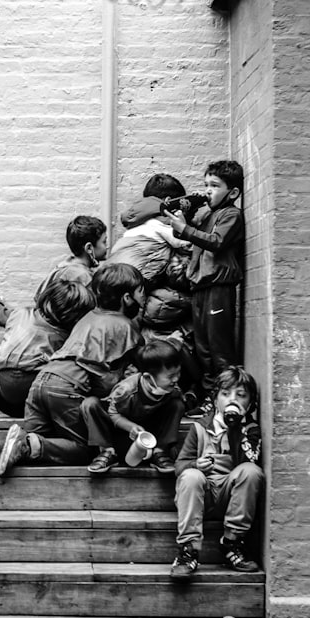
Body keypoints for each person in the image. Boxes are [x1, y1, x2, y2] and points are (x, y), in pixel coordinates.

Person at [0, 265, 144, 488]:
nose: (145, 297)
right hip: (67, 388)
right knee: (86, 449)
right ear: (127, 298)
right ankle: (29, 443)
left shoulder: (86, 319)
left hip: (41, 380)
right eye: (142, 292)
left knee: (25, 447)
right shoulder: (128, 328)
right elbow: (113, 376)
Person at [164, 160, 246, 413]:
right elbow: (185, 235)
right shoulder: (207, 213)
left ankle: (227, 400)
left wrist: (186, 229)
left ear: (232, 193)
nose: (208, 190)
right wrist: (181, 221)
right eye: (206, 185)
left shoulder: (231, 214)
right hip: (200, 288)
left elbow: (217, 241)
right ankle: (213, 398)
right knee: (204, 350)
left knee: (219, 349)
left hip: (219, 288)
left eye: (215, 185)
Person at [170, 366, 263, 582]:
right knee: (191, 476)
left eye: (241, 396)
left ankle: (232, 542)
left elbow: (249, 461)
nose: (233, 399)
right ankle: (188, 550)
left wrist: (236, 427)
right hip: (202, 494)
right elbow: (179, 465)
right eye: (226, 394)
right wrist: (195, 464)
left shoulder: (250, 429)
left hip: (230, 497)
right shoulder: (200, 428)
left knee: (251, 472)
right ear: (215, 399)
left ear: (249, 404)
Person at [0, 281, 96, 419]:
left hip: (5, 375)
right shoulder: (65, 332)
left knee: (18, 405)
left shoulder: (19, 313)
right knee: (31, 411)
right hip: (33, 378)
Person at [80, 339, 184, 474]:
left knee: (177, 405)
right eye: (171, 376)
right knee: (90, 404)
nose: (176, 379)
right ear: (148, 378)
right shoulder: (125, 390)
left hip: (149, 439)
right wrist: (130, 427)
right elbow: (113, 414)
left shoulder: (173, 390)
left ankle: (160, 452)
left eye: (178, 373)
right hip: (122, 434)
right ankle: (107, 452)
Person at [104, 173, 192, 287]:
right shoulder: (161, 222)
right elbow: (187, 244)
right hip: (129, 283)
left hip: (109, 277)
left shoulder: (136, 222)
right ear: (169, 201)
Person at [33, 215, 108, 301]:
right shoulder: (83, 277)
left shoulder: (63, 266)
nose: (107, 246)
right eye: (104, 242)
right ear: (89, 248)